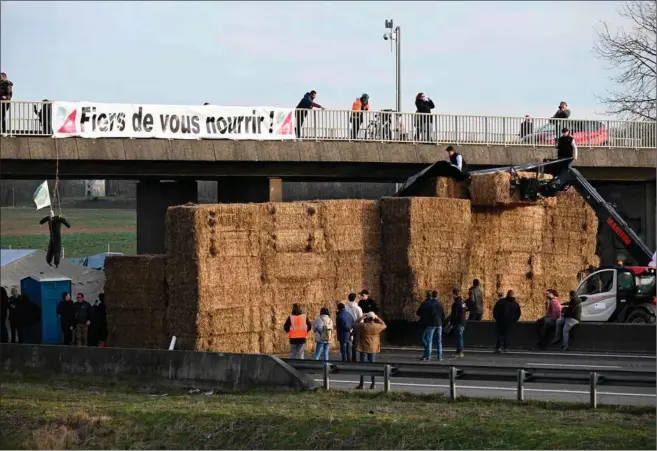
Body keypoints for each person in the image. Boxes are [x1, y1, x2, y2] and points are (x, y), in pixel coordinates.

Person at [353, 312, 387, 390]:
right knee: (373, 366)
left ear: (367, 318)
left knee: (363, 366)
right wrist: (377, 317)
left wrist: (362, 317)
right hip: (373, 348)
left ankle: (362, 384)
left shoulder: (363, 326)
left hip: (364, 347)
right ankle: (373, 384)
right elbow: (384, 325)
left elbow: (354, 324)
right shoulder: (377, 326)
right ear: (373, 319)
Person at [416, 290, 445, 361]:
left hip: (431, 324)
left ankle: (428, 356)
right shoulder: (440, 304)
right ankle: (439, 356)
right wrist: (441, 321)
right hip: (439, 324)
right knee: (439, 340)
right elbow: (443, 315)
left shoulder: (428, 304)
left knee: (429, 340)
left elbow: (426, 314)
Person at [345, 292, 363, 362]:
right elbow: (361, 319)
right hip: (357, 326)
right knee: (355, 343)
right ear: (355, 299)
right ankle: (354, 358)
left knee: (348, 343)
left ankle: (348, 359)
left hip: (348, 326)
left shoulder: (346, 308)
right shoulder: (358, 308)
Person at [449, 288, 467, 357]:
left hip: (458, 323)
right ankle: (459, 351)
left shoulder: (456, 303)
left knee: (459, 337)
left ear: (454, 294)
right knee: (460, 337)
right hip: (463, 322)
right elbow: (465, 309)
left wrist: (452, 323)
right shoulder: (462, 302)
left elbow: (454, 314)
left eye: (453, 294)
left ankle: (459, 352)